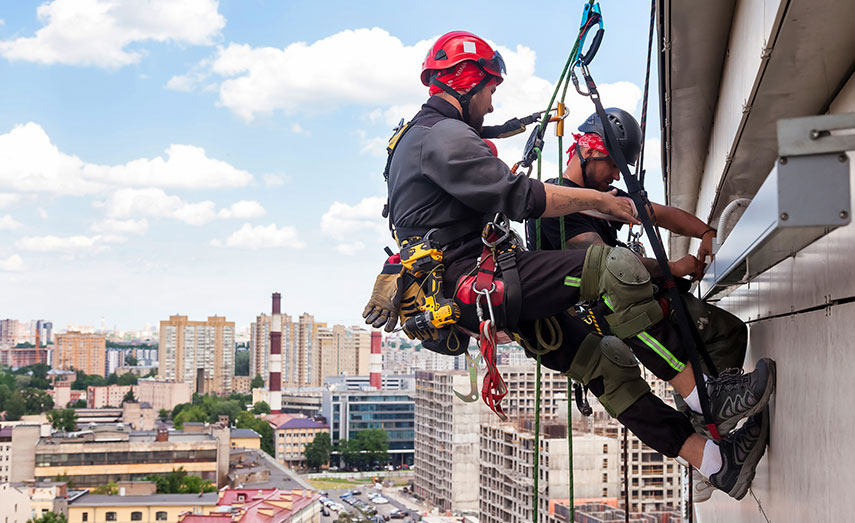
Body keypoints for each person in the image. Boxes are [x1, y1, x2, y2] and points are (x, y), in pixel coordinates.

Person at [363, 31, 770, 500]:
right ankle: (707, 396)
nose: (491, 107)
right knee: (613, 269)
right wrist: (602, 201)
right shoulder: (443, 136)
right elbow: (518, 198)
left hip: (473, 291)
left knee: (609, 367)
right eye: (491, 91)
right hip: (478, 282)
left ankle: (720, 464)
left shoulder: (418, 141)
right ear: (468, 80)